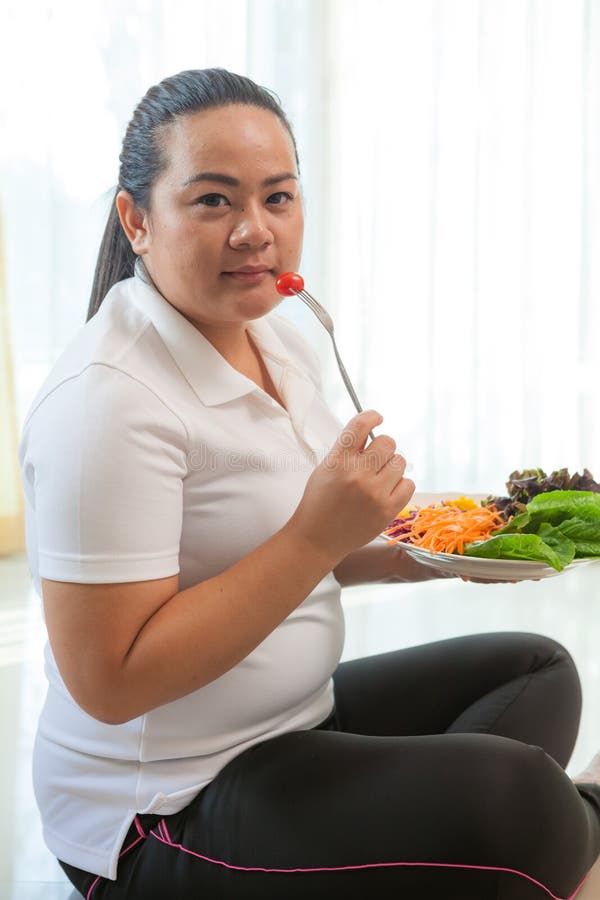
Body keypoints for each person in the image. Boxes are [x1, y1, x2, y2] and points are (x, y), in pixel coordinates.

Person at [17, 67, 600, 900]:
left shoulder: (279, 336)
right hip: (166, 807)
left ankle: (522, 846)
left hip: (296, 723)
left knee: (537, 671)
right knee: (519, 799)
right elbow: (109, 682)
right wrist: (316, 537)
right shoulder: (107, 403)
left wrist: (441, 546)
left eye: (278, 198)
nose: (256, 231)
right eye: (214, 200)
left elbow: (305, 545)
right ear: (136, 220)